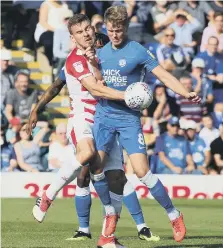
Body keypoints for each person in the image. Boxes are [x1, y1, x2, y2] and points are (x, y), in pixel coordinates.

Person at [27, 28, 160, 245]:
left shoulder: (107, 64)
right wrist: (36, 109)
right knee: (86, 166)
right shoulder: (75, 62)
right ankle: (57, 203)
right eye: (96, 43)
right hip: (82, 119)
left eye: (100, 44)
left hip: (106, 121)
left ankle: (112, 236)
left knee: (117, 177)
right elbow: (56, 87)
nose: (97, 47)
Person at [86, 5, 200, 244]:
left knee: (141, 172)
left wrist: (185, 92)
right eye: (112, 30)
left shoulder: (138, 51)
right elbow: (98, 81)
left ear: (126, 28)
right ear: (105, 27)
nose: (115, 34)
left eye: (119, 30)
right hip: (104, 116)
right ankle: (109, 213)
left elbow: (164, 76)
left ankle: (174, 214)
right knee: (95, 168)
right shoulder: (101, 52)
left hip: (129, 119)